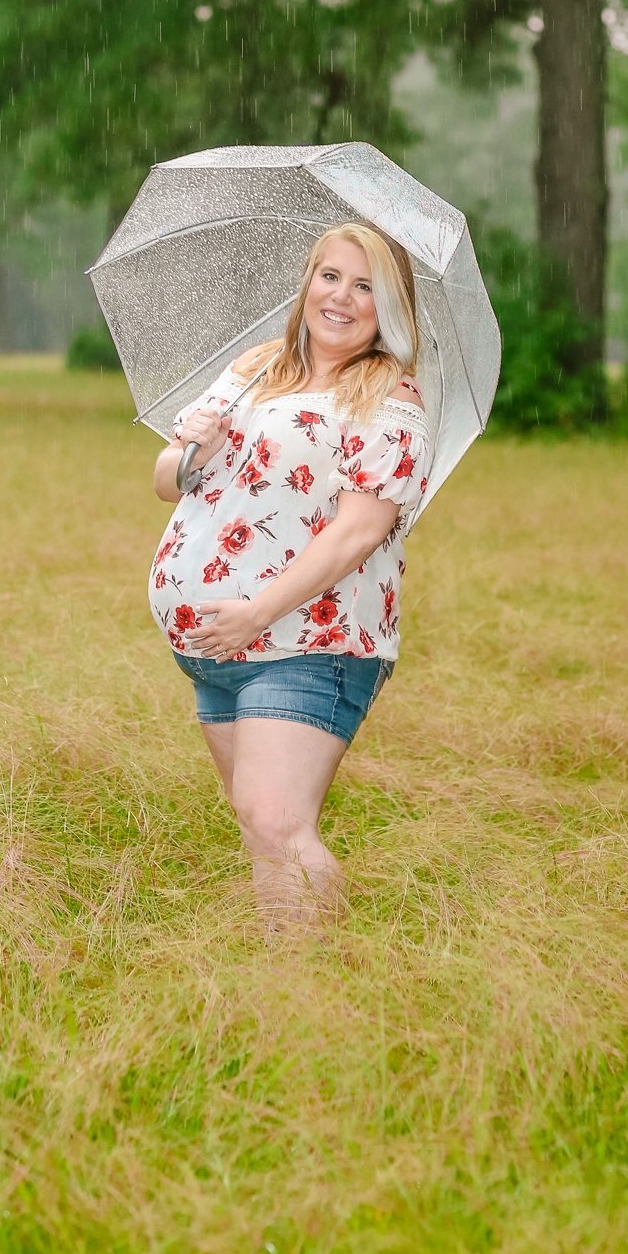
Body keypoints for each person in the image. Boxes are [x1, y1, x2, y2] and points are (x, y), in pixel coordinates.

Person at [149, 222, 433, 932]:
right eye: (329, 275)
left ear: (389, 308)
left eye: (365, 285)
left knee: (277, 820)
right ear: (307, 282)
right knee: (260, 829)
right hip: (214, 650)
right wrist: (193, 453)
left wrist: (254, 611)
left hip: (309, 644)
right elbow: (164, 475)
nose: (341, 296)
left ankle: (332, 998)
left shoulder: (389, 397)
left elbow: (358, 532)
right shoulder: (255, 366)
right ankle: (287, 993)